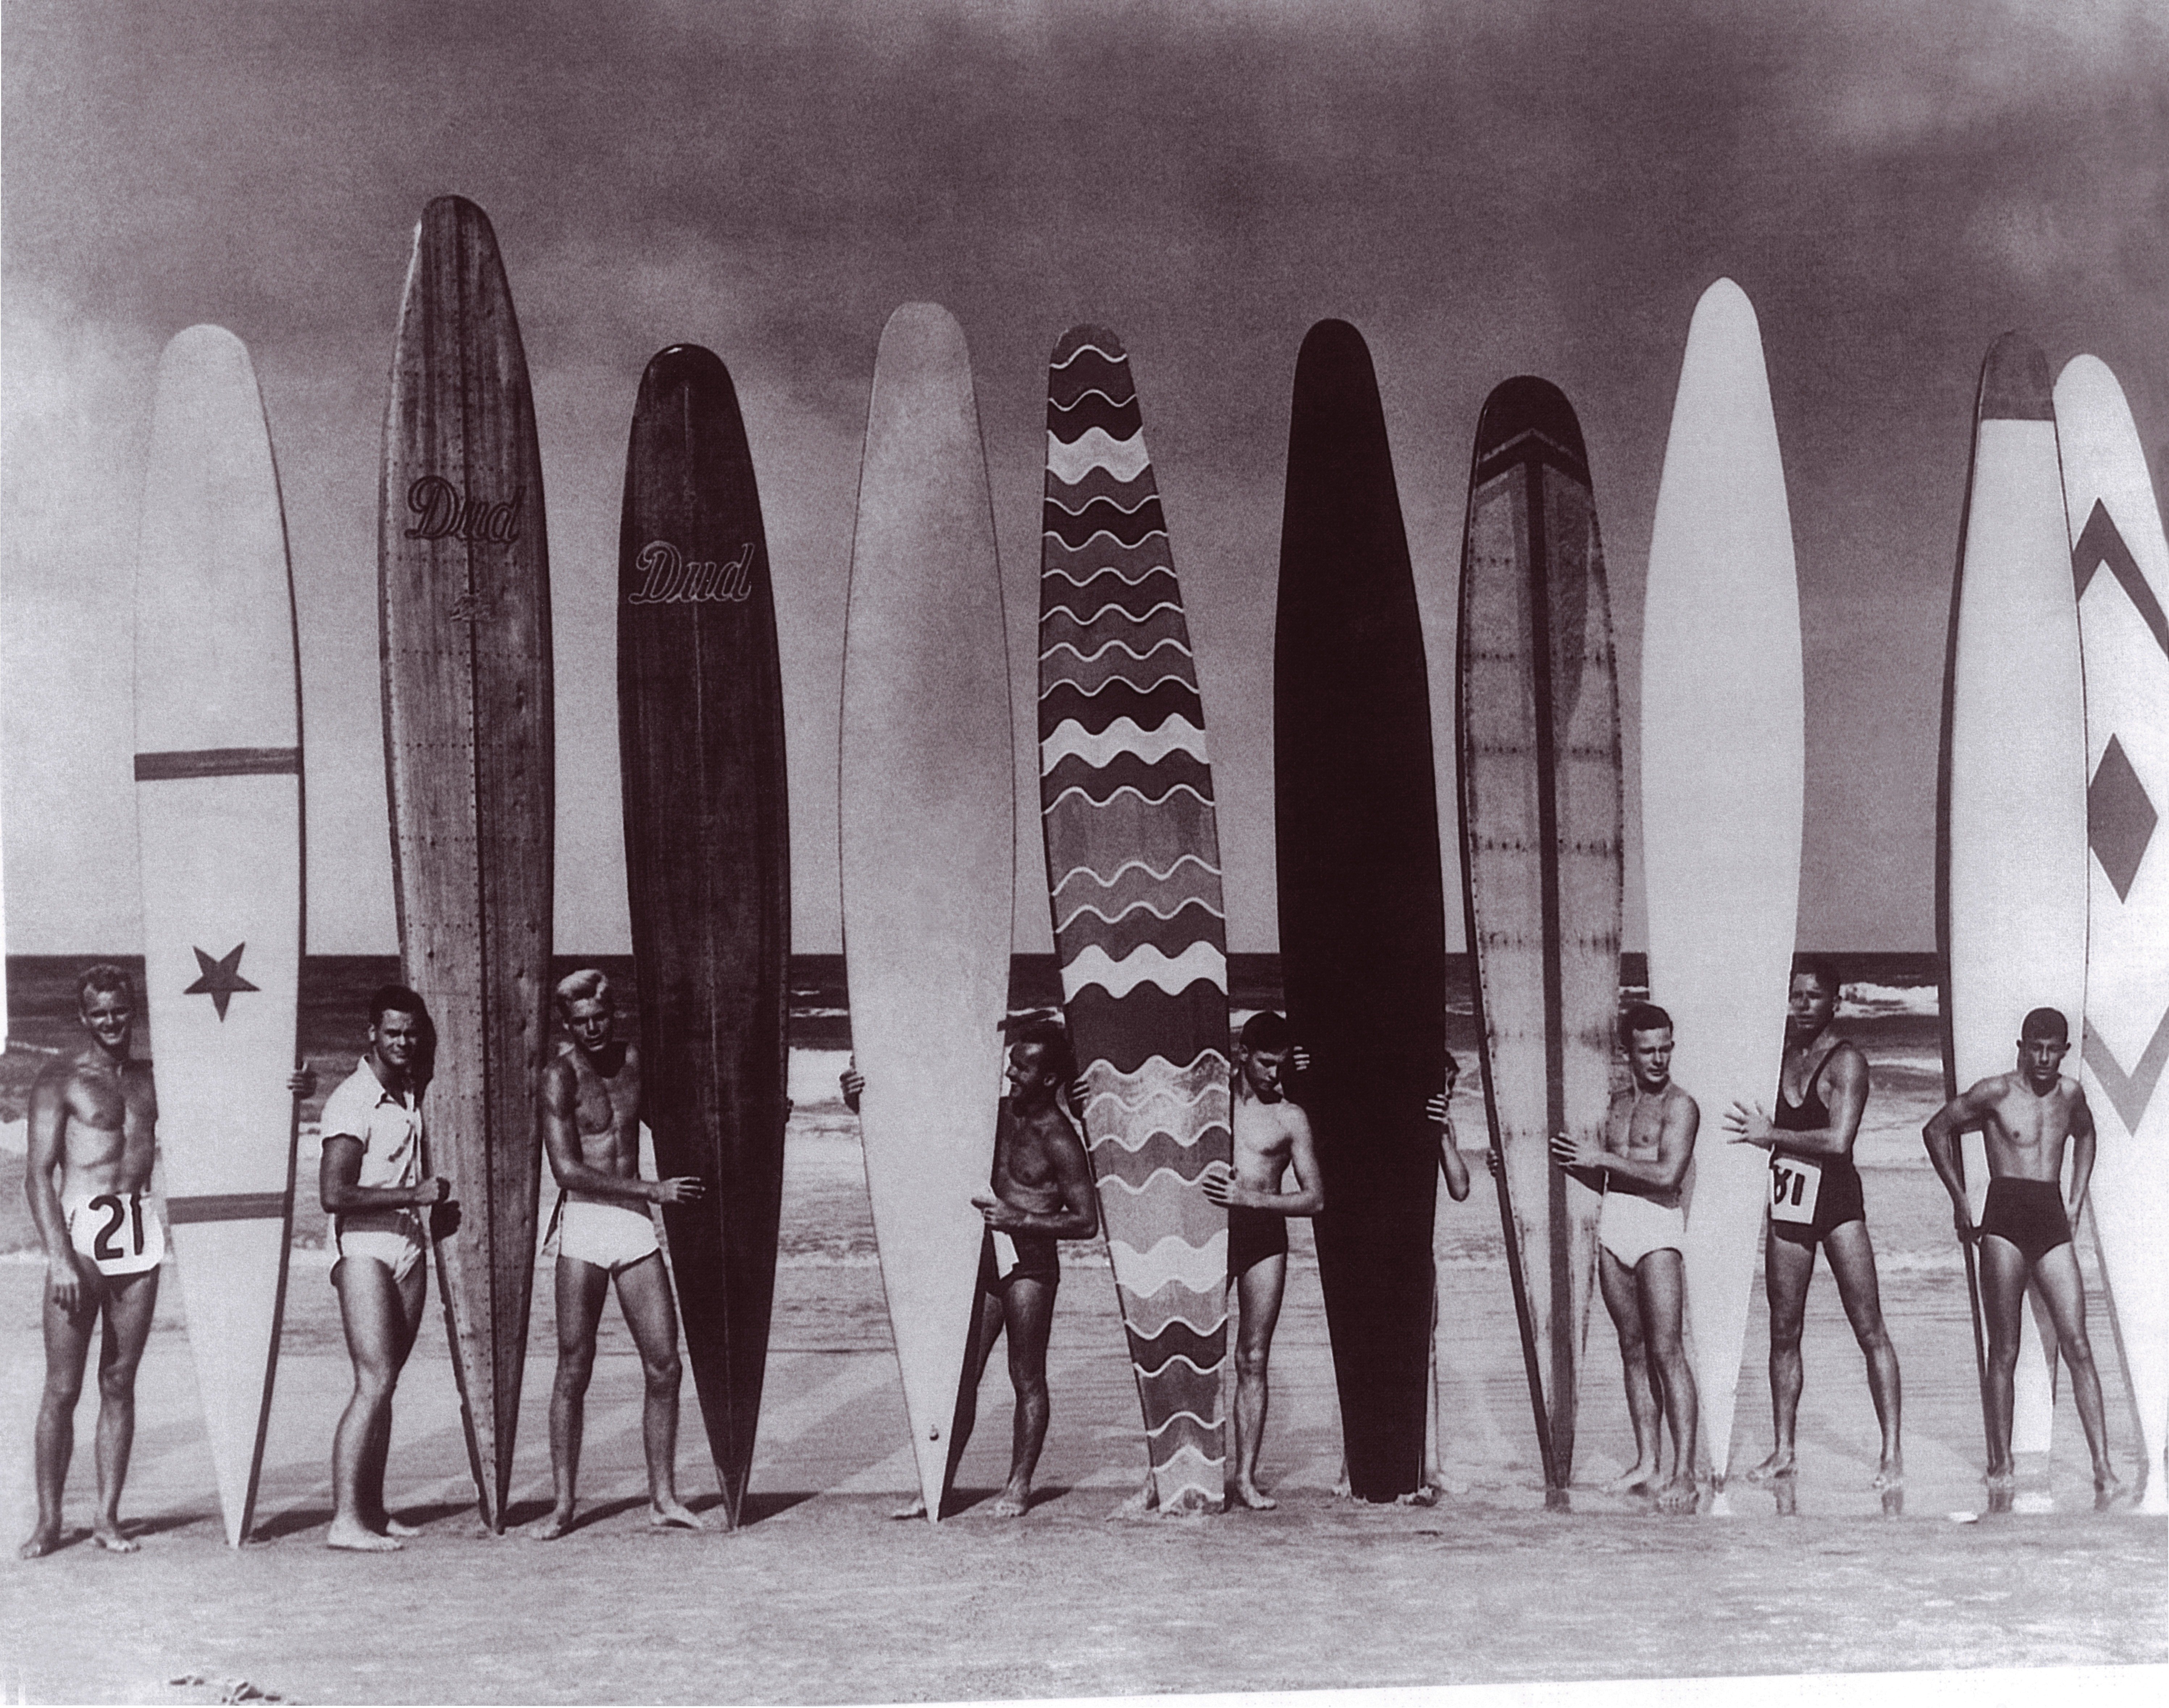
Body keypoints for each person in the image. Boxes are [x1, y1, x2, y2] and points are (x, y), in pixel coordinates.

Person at [20, 966, 314, 1559]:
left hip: (138, 1234)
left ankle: (106, 1517)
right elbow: (37, 1175)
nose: (110, 1021)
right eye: (98, 1012)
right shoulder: (60, 1079)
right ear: (84, 1017)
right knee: (62, 1387)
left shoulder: (159, 1080)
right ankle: (50, 1522)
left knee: (119, 1382)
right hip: (79, 1236)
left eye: (119, 1010)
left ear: (134, 1010)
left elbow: (230, 1108)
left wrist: (295, 1083)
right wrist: (57, 1257)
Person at [843, 1017, 1099, 1516]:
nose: (1009, 1071)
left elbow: (1087, 1221)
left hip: (1029, 1267)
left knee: (1025, 1376)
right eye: (1012, 1061)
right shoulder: (994, 1113)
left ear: (1049, 1078)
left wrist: (1019, 1216)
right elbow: (919, 1118)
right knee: (959, 1377)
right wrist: (862, 1098)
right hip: (983, 1263)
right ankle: (937, 1484)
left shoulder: (1060, 1139)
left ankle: (1019, 1486)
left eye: (1023, 1066)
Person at [530, 969, 706, 1540]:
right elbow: (567, 1170)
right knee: (573, 1370)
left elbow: (685, 1122)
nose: (592, 1030)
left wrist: (759, 1115)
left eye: (599, 1018)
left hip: (632, 1226)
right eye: (580, 1024)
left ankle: (663, 1496)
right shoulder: (559, 1076)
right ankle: (563, 1505)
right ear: (567, 1024)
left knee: (665, 1364)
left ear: (614, 1011)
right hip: (585, 1223)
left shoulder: (635, 1063)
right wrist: (653, 1189)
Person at [1923, 1007, 2121, 1502]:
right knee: (2004, 1348)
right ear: (2020, 1045)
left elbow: (2087, 1135)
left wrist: (2076, 1199)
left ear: (2064, 1051)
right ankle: (2000, 1461)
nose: (2042, 1057)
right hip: (2004, 1218)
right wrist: (1960, 1199)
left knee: (2077, 1344)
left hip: (2050, 1215)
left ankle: (2102, 1465)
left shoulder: (2070, 1094)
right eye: (2034, 1046)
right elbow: (1935, 1129)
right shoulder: (1995, 1091)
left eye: (2052, 1048)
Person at [1723, 956, 1903, 1490]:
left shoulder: (1847, 1062)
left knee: (1868, 1328)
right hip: (1789, 1202)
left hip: (1838, 1202)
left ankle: (1891, 1452)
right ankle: (1783, 1450)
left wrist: (1770, 1134)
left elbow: (1837, 1140)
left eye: (1812, 997)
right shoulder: (1778, 1058)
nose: (1801, 1006)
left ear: (1835, 1002)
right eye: (1794, 995)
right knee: (1783, 1329)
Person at [1552, 1002, 1699, 1512]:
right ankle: (1646, 1461)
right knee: (1632, 1350)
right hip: (1615, 1227)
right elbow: (1602, 1174)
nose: (1659, 1059)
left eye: (1665, 1048)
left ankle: (1682, 1471)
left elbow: (1667, 1175)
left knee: (1667, 1351)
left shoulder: (1681, 1106)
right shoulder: (1615, 1104)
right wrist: (1537, 1161)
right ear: (1627, 1052)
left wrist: (1603, 1159)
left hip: (1658, 1229)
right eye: (1647, 1050)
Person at [319, 984, 450, 1552]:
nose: (403, 1041)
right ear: (370, 1032)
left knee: (387, 1384)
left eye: (411, 1032)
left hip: (408, 1245)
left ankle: (371, 1508)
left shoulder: (409, 1090)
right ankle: (344, 1518)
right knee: (371, 1382)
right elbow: (333, 1192)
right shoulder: (352, 1099)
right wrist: (412, 1194)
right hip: (364, 1248)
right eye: (392, 1032)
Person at [1198, 1011, 1326, 1511]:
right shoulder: (1210, 1103)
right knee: (1191, 1354)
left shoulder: (1290, 1116)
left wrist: (1254, 1200)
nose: (1276, 1075)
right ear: (1242, 1054)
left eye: (1283, 1065)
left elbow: (1315, 1198)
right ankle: (1170, 1469)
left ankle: (1245, 1478)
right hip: (1209, 1238)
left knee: (1252, 1358)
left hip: (1262, 1240)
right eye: (1267, 1064)